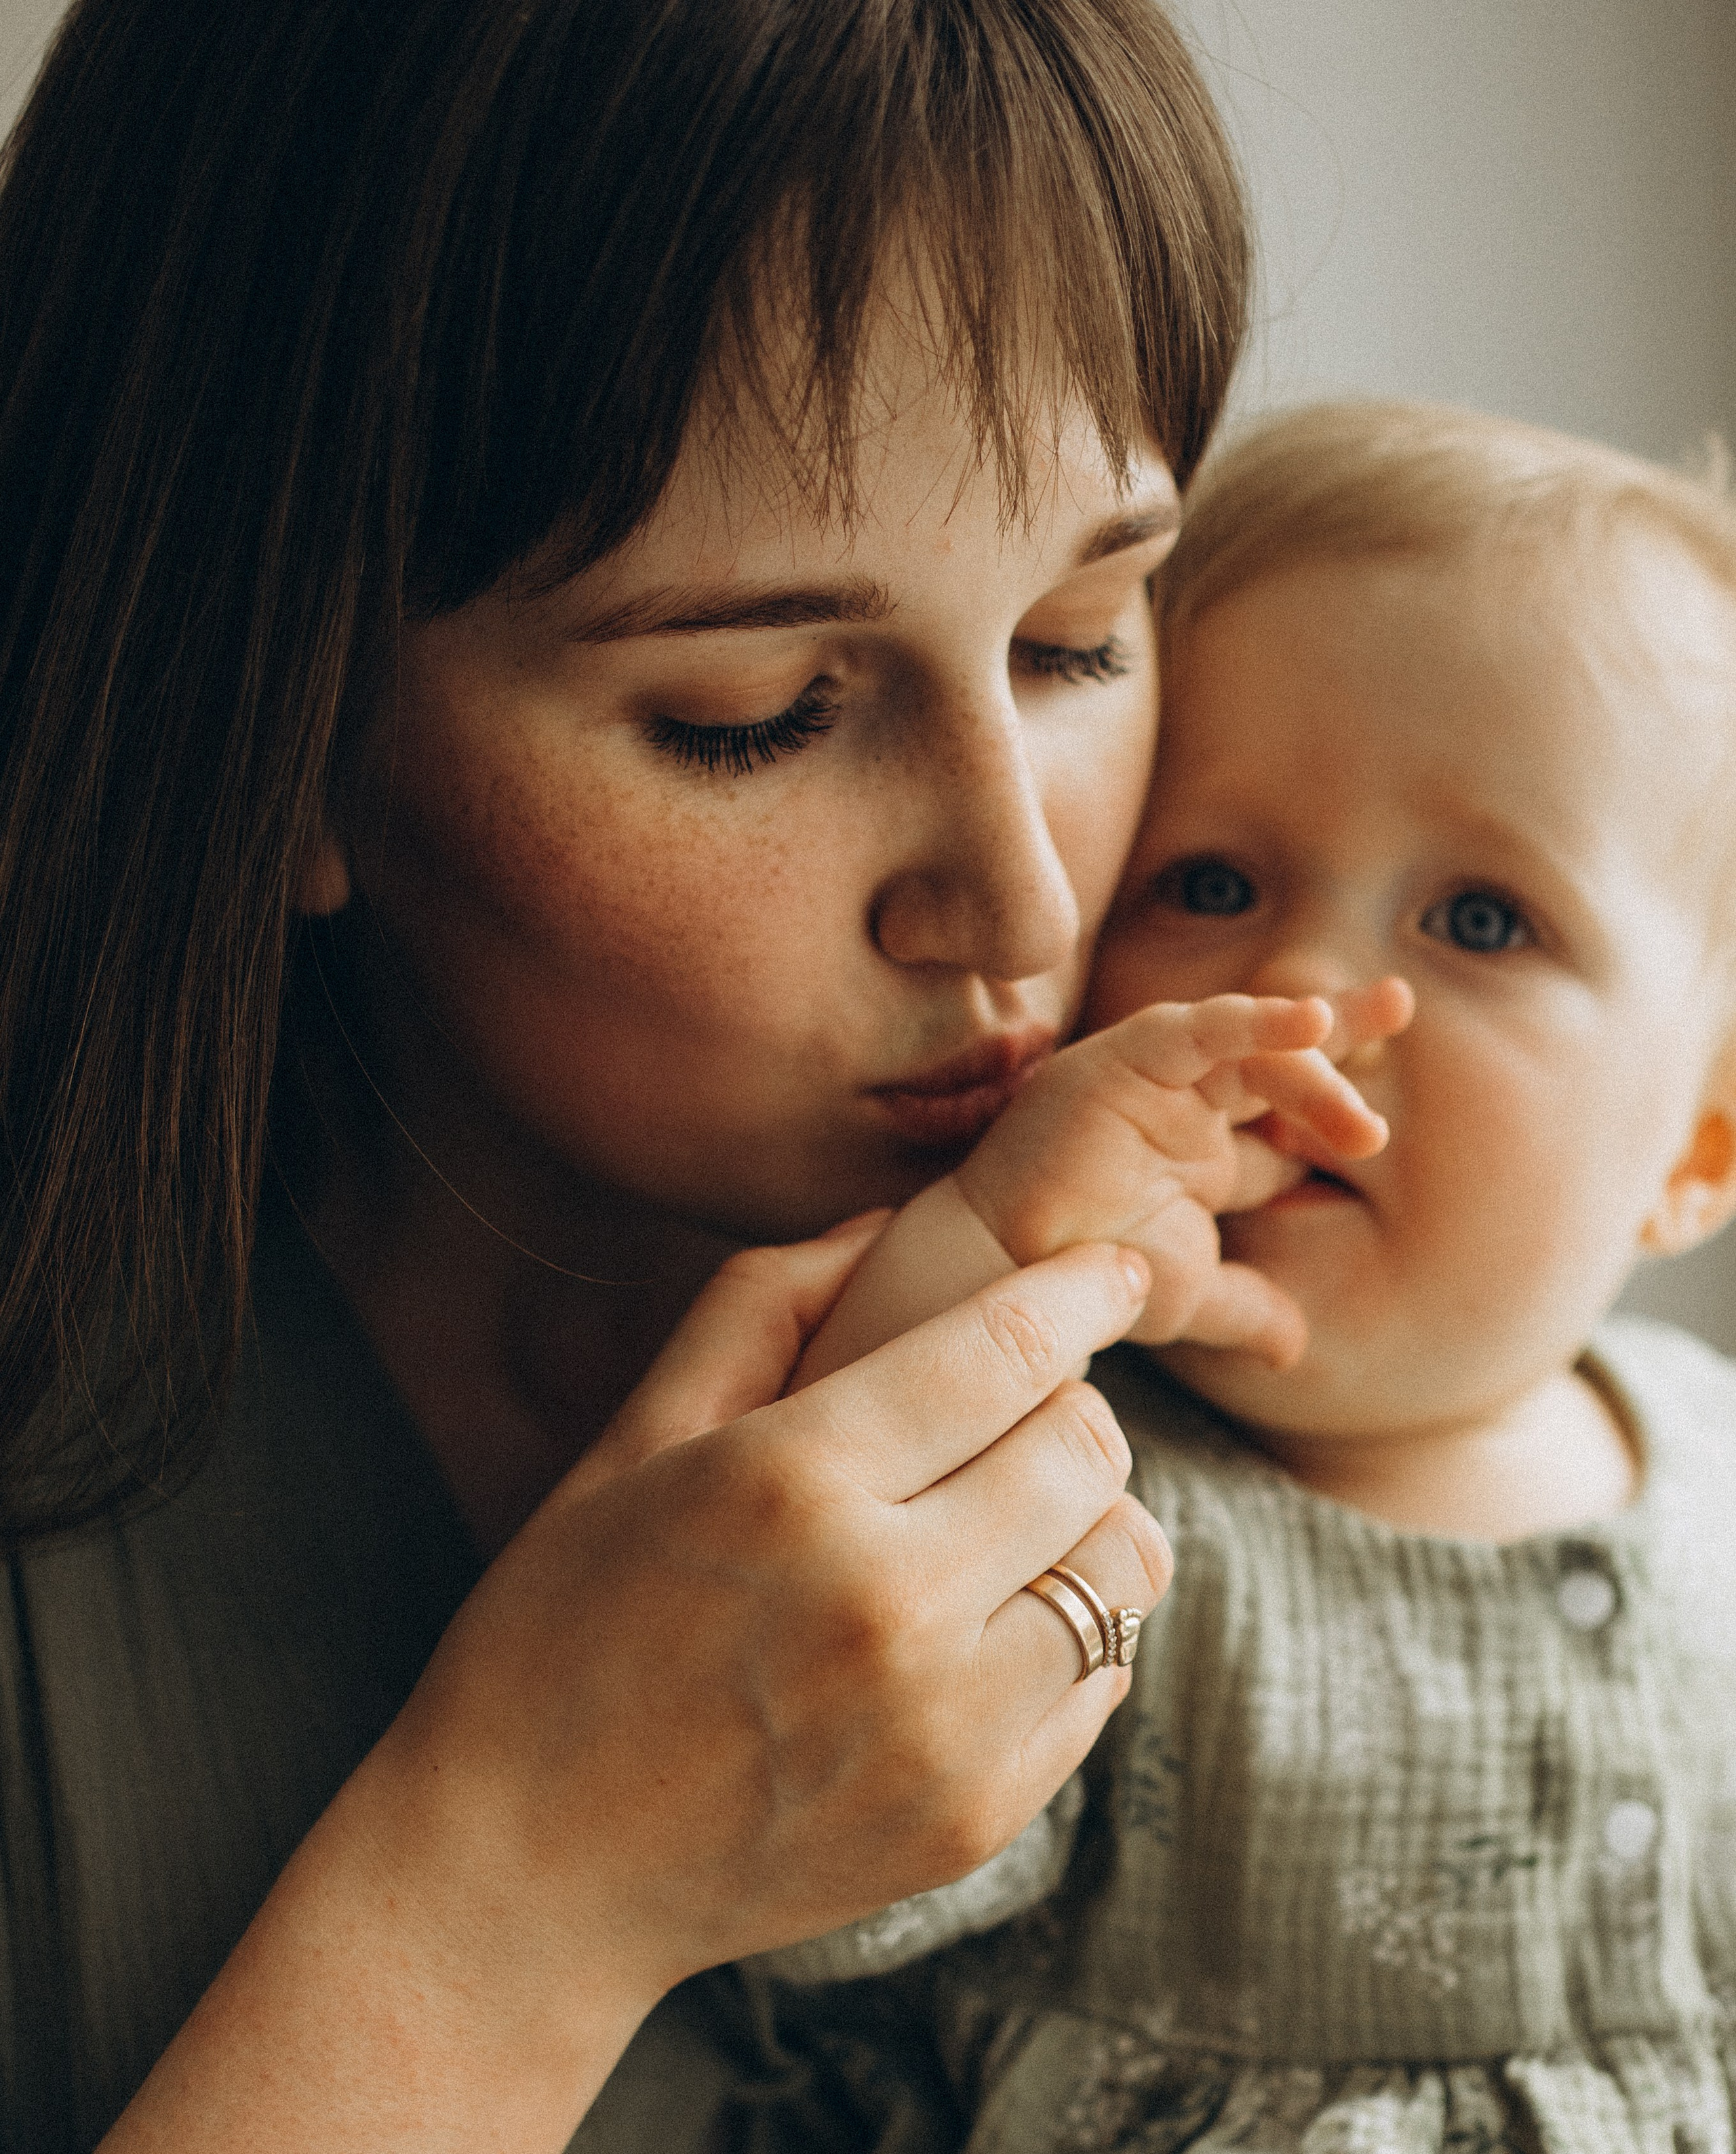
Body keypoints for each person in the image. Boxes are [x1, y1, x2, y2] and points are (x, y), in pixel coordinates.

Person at [0, 0, 1322, 2147]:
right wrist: (517, 1897)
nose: (1016, 902)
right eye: (755, 711)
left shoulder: (1286, 1306)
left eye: (1083, 638)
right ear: (277, 728)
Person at [751, 402, 1736, 2151]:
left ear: (1704, 1144)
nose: (1298, 984)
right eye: (1207, 882)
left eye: (1484, 919)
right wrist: (987, 1261)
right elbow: (807, 1877)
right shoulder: (1074, 1488)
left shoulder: (1714, 1459)